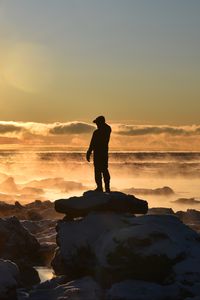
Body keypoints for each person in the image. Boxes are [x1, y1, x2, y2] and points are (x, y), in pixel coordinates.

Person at [86, 116, 111, 193]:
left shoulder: (104, 130)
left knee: (103, 170)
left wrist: (89, 151)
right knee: (98, 171)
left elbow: (93, 143)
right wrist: (89, 152)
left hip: (102, 153)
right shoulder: (98, 132)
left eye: (97, 123)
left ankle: (106, 188)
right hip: (98, 153)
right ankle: (100, 187)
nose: (97, 125)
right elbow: (92, 143)